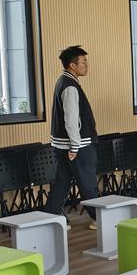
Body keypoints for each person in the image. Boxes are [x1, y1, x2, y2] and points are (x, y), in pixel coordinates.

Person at [44, 45, 99, 228]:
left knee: (62, 183)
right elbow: (71, 120)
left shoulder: (64, 82)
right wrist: (75, 147)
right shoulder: (70, 86)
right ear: (72, 65)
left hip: (63, 145)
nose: (87, 65)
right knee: (88, 183)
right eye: (83, 62)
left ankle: (49, 219)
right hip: (77, 146)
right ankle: (99, 219)